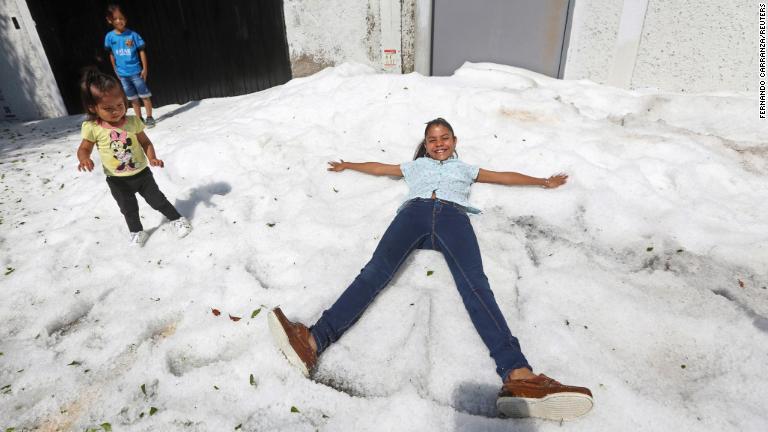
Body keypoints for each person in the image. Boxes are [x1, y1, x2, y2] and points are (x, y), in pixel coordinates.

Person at [268, 118, 594, 421]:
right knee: (374, 273)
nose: (439, 143)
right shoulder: (415, 167)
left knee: (476, 286)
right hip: (414, 214)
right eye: (432, 139)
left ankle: (519, 376)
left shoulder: (465, 169)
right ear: (425, 145)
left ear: (454, 141)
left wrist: (542, 182)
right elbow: (381, 168)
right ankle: (311, 341)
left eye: (444, 137)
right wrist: (349, 164)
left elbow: (503, 176)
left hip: (454, 219)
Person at [76, 68, 191, 246]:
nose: (115, 111)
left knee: (157, 200)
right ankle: (137, 232)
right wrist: (84, 158)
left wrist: (152, 158)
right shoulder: (92, 127)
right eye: (107, 108)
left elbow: (146, 142)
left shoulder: (132, 122)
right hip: (117, 180)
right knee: (128, 209)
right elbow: (84, 148)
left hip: (142, 175)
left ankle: (176, 218)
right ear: (93, 108)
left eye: (120, 105)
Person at [104, 4, 155, 127]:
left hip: (136, 72)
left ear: (125, 19)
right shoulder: (109, 37)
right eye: (115, 19)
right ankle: (139, 119)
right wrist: (115, 69)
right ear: (109, 20)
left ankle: (149, 117)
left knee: (144, 95)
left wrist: (145, 69)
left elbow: (141, 51)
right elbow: (111, 54)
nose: (119, 21)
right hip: (123, 75)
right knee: (132, 98)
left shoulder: (133, 35)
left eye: (121, 18)